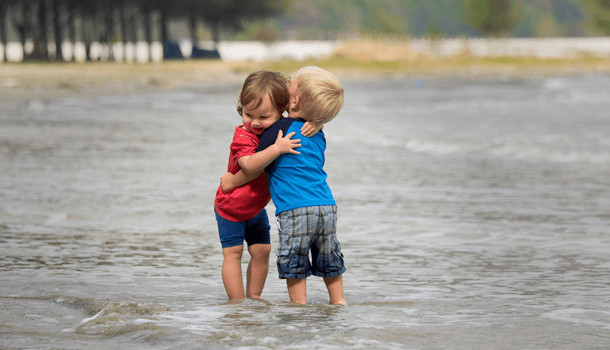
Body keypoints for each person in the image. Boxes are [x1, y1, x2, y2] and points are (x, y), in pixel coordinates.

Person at [222, 66, 346, 305]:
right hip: (327, 205)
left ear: (295, 99)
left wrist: (231, 181)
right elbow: (309, 125)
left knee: (295, 260)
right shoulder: (317, 132)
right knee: (328, 256)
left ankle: (299, 306)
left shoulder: (277, 131)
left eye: (291, 85)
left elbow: (255, 166)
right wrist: (319, 122)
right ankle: (338, 301)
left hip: (295, 209)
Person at [214, 70, 302, 301]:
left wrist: (316, 124)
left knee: (262, 251)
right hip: (230, 206)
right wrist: (276, 149)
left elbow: (302, 120)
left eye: (263, 117)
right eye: (247, 113)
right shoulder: (243, 135)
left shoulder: (279, 130)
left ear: (281, 112)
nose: (254, 122)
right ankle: (237, 302)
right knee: (233, 253)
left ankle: (253, 298)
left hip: (255, 208)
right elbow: (250, 165)